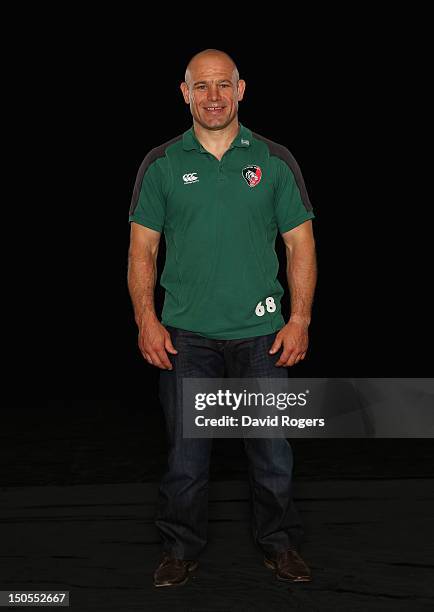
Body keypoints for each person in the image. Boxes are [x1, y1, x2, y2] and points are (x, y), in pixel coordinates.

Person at [128, 49, 317, 587]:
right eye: (202, 87)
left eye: (223, 86)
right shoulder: (162, 162)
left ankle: (280, 545)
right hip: (186, 338)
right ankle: (180, 549)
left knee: (272, 453)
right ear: (185, 93)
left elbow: (299, 244)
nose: (213, 97)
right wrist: (147, 319)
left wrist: (299, 318)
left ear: (241, 89)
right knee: (187, 459)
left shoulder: (274, 159)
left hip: (262, 336)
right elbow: (143, 250)